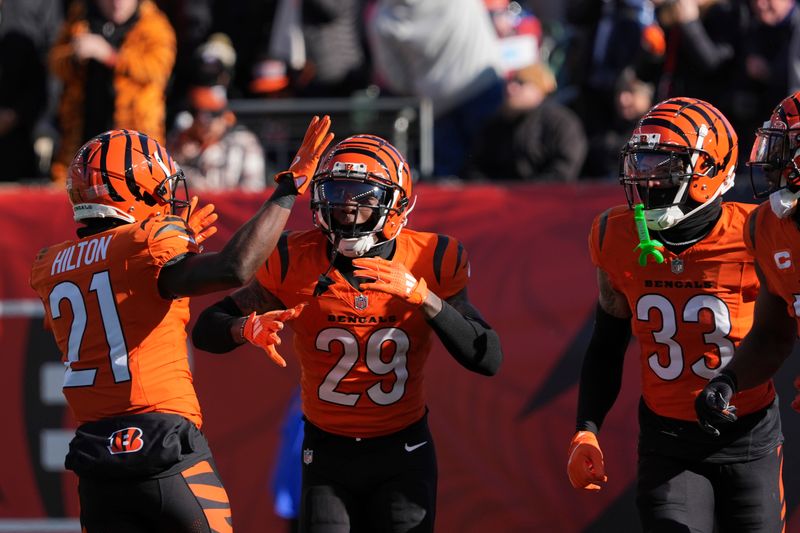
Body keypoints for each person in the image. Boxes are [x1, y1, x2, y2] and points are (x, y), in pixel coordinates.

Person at [28, 116, 333, 532]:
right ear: (131, 191)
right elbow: (236, 268)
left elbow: (114, 293)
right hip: (164, 446)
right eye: (158, 187)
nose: (166, 197)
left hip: (97, 459)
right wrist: (288, 188)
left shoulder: (51, 265)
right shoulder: (147, 242)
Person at [192, 134, 503, 532]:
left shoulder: (432, 259)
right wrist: (243, 328)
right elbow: (206, 329)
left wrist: (423, 297)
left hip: (403, 450)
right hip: (326, 451)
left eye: (363, 196)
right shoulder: (293, 257)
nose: (346, 207)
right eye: (337, 192)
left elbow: (488, 357)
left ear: (395, 205)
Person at [567, 97, 784, 532]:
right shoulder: (615, 234)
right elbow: (607, 344)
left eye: (665, 168)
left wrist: (730, 383)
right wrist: (586, 428)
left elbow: (781, 328)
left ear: (711, 172)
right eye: (643, 164)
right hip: (668, 442)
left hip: (750, 437)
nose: (648, 181)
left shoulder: (756, 231)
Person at [696, 91, 800, 446]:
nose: (770, 162)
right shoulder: (767, 228)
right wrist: (729, 381)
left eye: (784, 149)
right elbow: (774, 334)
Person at [48, 0, 176, 184]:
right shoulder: (81, 19)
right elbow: (55, 62)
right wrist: (74, 56)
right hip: (83, 135)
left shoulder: (153, 24)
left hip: (134, 143)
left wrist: (110, 56)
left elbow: (157, 69)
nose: (117, 4)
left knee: (132, 196)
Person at [462, 61, 588, 182]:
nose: (510, 88)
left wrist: (531, 193)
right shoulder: (496, 123)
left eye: (520, 83)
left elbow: (565, 169)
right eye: (509, 82)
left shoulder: (561, 122)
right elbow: (475, 168)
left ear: (539, 89)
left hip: (548, 200)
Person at [168, 84, 267, 191]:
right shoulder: (180, 140)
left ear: (226, 116)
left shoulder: (244, 142)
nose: (204, 119)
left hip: (230, 206)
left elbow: (253, 190)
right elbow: (167, 180)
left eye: (213, 113)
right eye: (197, 112)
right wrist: (183, 156)